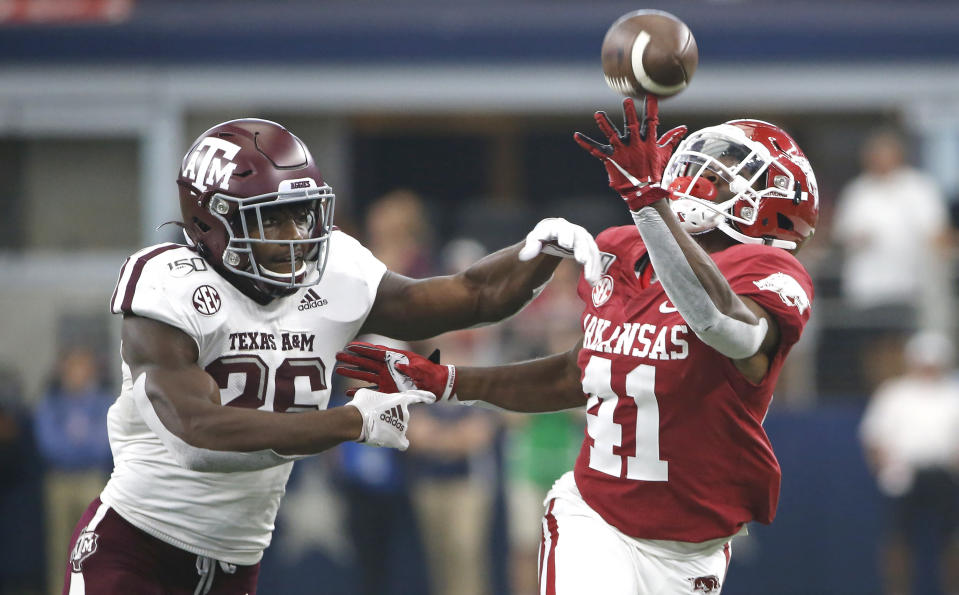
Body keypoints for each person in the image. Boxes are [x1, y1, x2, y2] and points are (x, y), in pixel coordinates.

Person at [62, 118, 603, 594]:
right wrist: (350, 422)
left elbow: (463, 296)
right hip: (135, 548)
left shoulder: (332, 270)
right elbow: (197, 433)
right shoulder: (167, 284)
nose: (296, 237)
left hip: (237, 562)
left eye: (301, 215)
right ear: (211, 220)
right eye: (272, 219)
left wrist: (537, 253)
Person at [336, 96, 818, 594]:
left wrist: (650, 203)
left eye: (725, 172)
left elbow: (722, 323)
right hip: (596, 516)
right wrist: (450, 381)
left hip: (690, 548)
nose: (701, 175)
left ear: (773, 203)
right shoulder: (622, 248)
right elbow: (578, 373)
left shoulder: (771, 273)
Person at [829, 128, 952, 393]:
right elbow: (842, 234)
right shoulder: (858, 191)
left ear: (898, 155)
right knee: (873, 347)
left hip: (909, 284)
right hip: (868, 287)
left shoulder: (919, 188)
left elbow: (937, 232)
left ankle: (903, 395)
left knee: (903, 343)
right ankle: (880, 395)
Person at [859, 331, 959, 595]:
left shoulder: (954, 394)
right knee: (898, 541)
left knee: (952, 541)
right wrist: (885, 469)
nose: (928, 368)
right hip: (902, 476)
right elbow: (874, 438)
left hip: (945, 477)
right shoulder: (893, 393)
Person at [33, 345, 113, 595]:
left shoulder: (103, 402)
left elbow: (105, 443)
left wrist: (80, 444)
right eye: (72, 367)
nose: (77, 372)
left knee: (94, 542)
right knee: (60, 545)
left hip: (92, 479)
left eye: (83, 366)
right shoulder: (51, 403)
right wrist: (77, 446)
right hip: (60, 481)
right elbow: (49, 445)